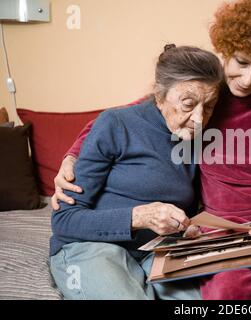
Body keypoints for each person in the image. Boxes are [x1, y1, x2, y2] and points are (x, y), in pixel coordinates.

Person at [52, 0, 251, 300]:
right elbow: (127, 115)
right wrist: (73, 154)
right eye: (241, 61)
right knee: (225, 294)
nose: (248, 79)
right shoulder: (204, 89)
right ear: (227, 49)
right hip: (213, 232)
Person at [49, 45, 223, 300]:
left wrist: (191, 226)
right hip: (92, 246)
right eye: (188, 104)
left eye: (209, 106)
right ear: (159, 95)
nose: (199, 118)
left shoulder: (197, 139)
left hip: (158, 251)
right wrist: (139, 217)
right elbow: (64, 220)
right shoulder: (115, 124)